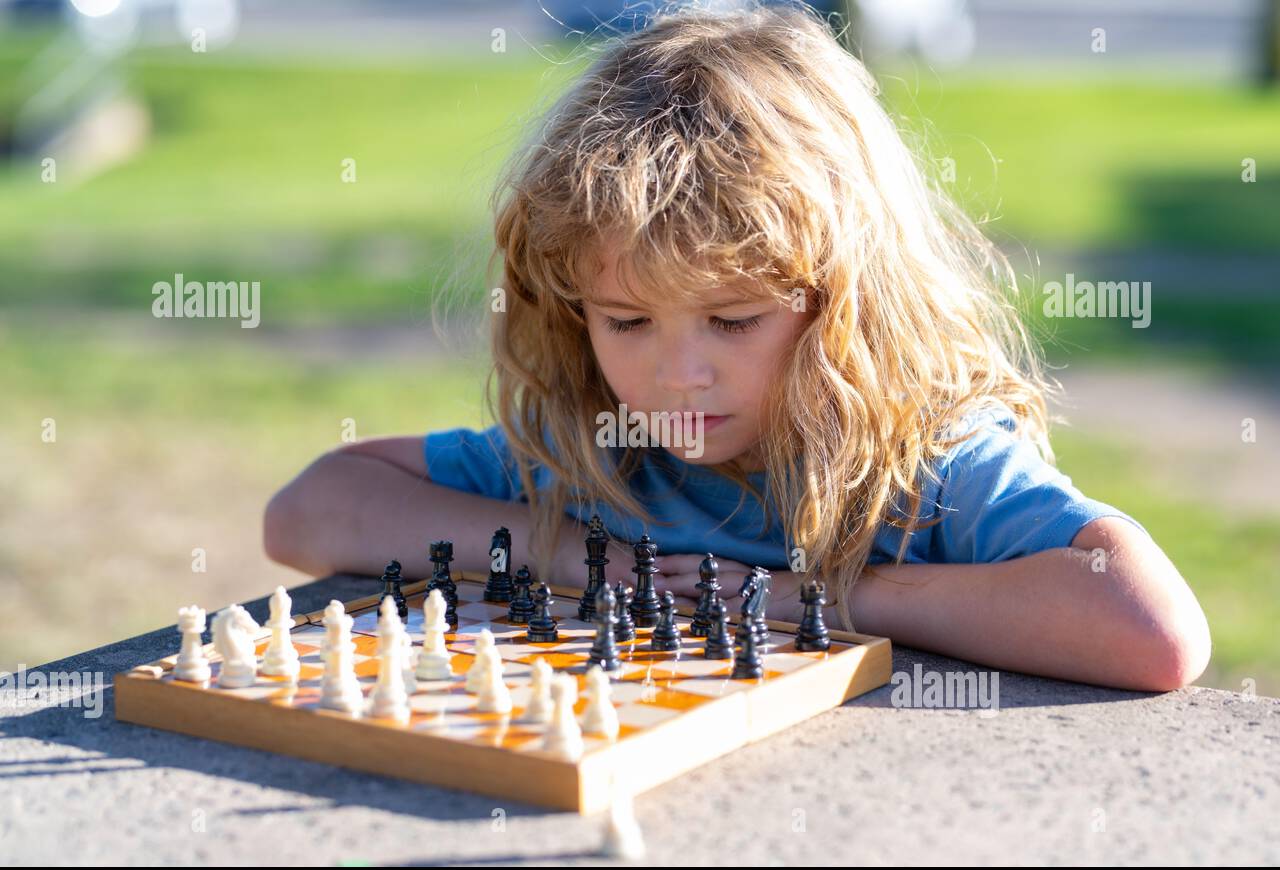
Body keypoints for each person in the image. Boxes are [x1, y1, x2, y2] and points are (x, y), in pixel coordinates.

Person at [265, 3, 1209, 692]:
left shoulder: (925, 467)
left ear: (842, 304)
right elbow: (308, 511)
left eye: (733, 320)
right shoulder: (602, 456)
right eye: (627, 323)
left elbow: (1150, 630)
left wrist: (828, 595)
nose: (678, 374)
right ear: (570, 310)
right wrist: (577, 558)